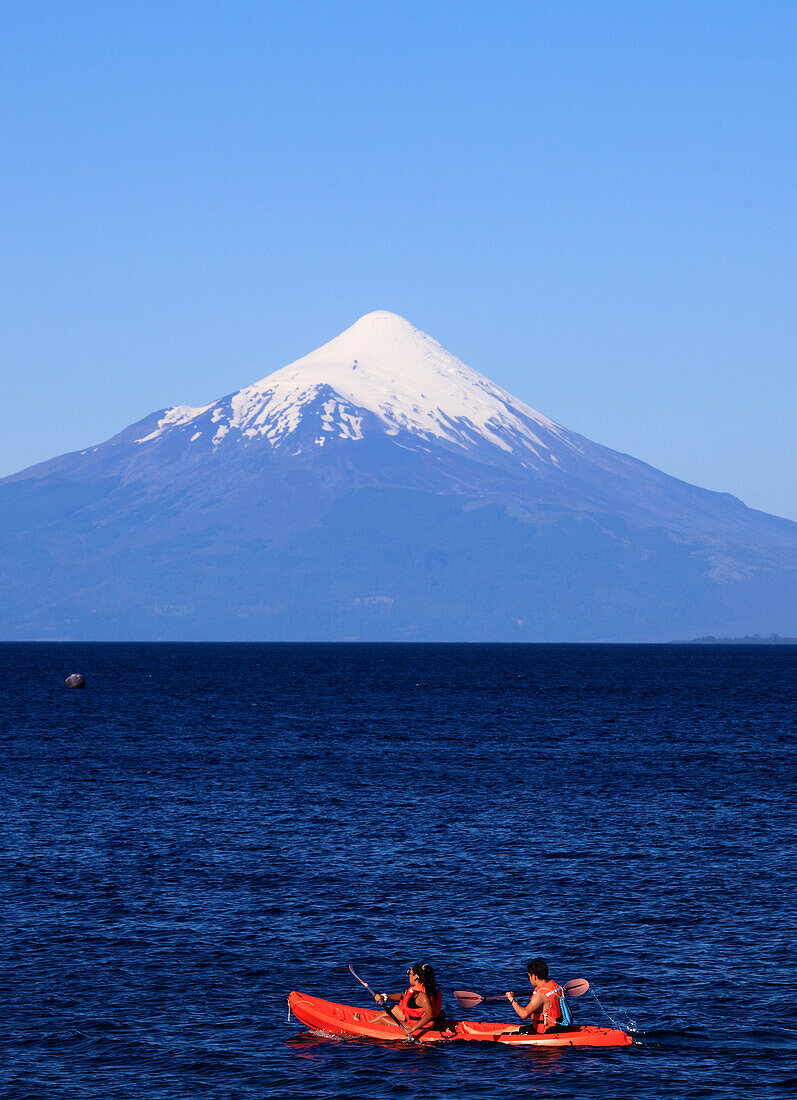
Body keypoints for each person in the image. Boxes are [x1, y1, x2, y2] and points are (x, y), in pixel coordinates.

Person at [371, 962, 444, 1034]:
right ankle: (367, 1024)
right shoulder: (421, 989)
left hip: (422, 1027)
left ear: (415, 976)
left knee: (384, 1020)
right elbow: (402, 996)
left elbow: (429, 1015)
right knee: (393, 1008)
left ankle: (364, 1028)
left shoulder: (422, 996)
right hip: (413, 1020)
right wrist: (384, 997)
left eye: (410, 973)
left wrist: (411, 1029)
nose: (408, 975)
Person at [505, 957, 571, 1033]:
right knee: (510, 1028)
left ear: (534, 976)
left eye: (528, 976)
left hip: (546, 1031)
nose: (529, 979)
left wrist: (512, 999)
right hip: (560, 1027)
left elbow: (524, 1014)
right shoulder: (558, 988)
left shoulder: (540, 995)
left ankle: (488, 1037)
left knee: (506, 1031)